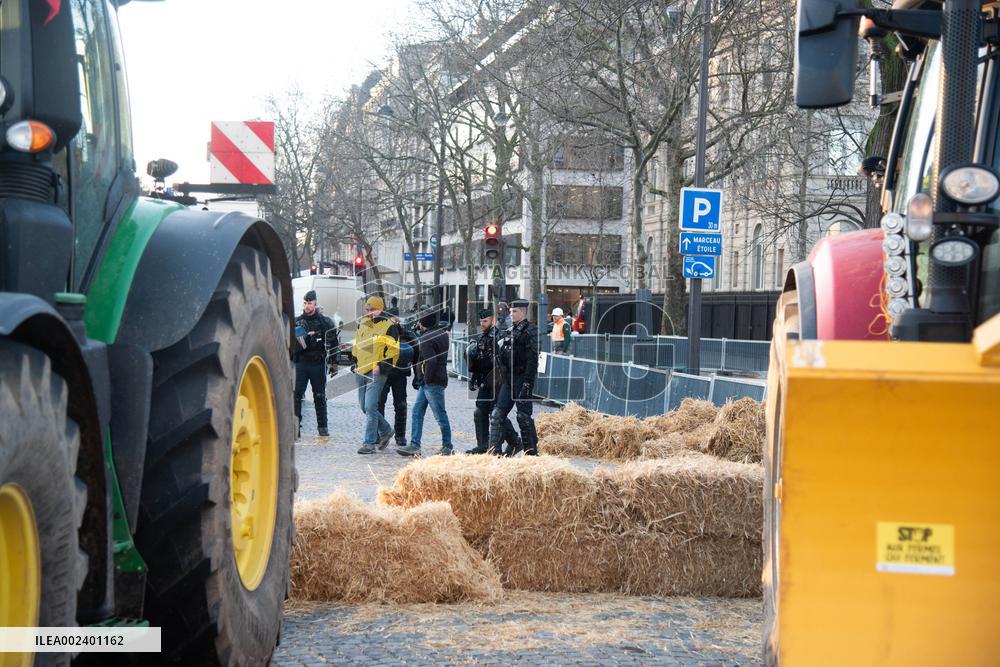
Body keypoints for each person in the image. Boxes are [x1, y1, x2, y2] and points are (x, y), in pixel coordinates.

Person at [466, 308, 521, 455]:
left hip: (498, 380)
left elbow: (503, 361)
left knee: (496, 414)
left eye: (486, 321)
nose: (483, 324)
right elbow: (478, 361)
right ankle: (482, 445)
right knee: (479, 411)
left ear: (493, 320)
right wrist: (473, 377)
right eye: (481, 321)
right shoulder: (482, 337)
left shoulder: (500, 336)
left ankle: (515, 441)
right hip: (485, 380)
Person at [398, 311, 452, 457]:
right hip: (435, 380)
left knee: (439, 414)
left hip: (431, 382)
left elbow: (431, 361)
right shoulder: (442, 333)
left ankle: (447, 446)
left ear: (423, 324)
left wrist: (425, 380)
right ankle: (415, 445)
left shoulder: (426, 338)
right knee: (417, 411)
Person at [489, 299, 539, 455]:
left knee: (523, 417)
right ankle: (494, 452)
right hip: (508, 379)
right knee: (497, 415)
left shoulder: (531, 330)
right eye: (510, 312)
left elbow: (533, 360)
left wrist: (528, 383)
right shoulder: (510, 330)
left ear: (523, 312)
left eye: (514, 311)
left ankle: (531, 453)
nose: (511, 314)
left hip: (522, 378)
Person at [352, 296, 401, 454]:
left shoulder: (389, 326)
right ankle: (386, 430)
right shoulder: (363, 323)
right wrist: (354, 362)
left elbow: (394, 352)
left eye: (372, 309)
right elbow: (357, 345)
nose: (369, 313)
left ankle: (369, 443)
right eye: (367, 310)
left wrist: (381, 366)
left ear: (380, 308)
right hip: (361, 369)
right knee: (363, 406)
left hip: (376, 371)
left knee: (370, 406)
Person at [294, 290, 339, 437]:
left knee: (319, 395)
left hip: (318, 364)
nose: (307, 306)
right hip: (301, 363)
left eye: (310, 303)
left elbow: (334, 343)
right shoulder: (297, 321)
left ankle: (323, 427)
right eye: (305, 303)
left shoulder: (325, 322)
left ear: (316, 304)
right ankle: (295, 427)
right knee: (296, 395)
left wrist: (334, 363)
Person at [377, 308, 416, 448]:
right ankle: (380, 433)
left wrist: (418, 375)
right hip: (383, 373)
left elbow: (416, 348)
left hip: (399, 374)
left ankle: (400, 435)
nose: (395, 321)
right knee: (378, 403)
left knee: (400, 405)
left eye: (396, 319)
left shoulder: (404, 332)